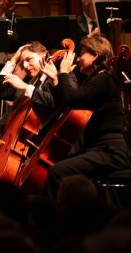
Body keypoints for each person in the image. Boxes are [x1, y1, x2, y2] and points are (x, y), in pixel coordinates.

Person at [44, 33, 130, 193]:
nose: (78, 58)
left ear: (95, 55)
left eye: (82, 53)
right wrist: (56, 79)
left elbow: (71, 99)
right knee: (61, 166)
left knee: (57, 172)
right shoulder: (99, 79)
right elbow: (70, 103)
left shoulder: (104, 79)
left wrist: (63, 72)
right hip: (99, 149)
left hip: (110, 152)